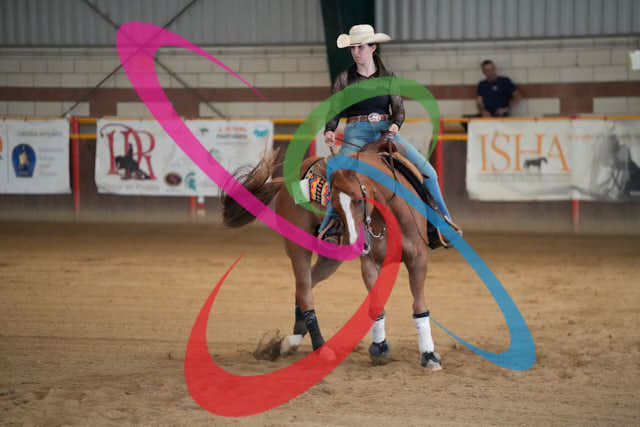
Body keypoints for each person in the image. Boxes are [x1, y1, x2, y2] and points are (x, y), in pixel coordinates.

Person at [319, 24, 458, 246]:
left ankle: (443, 222)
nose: (356, 52)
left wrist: (395, 125)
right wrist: (330, 129)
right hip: (355, 133)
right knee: (335, 172)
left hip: (385, 132)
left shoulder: (389, 78)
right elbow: (335, 111)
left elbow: (399, 110)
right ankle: (331, 226)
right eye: (353, 48)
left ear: (373, 47)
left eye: (360, 47)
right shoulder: (344, 79)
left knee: (428, 172)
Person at [462, 59, 522, 132]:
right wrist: (483, 111)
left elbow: (518, 96)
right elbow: (479, 103)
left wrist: (506, 108)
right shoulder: (482, 84)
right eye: (487, 70)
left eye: (492, 69)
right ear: (483, 72)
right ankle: (478, 138)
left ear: (495, 69)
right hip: (487, 115)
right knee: (464, 120)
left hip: (500, 115)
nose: (490, 72)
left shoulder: (505, 81)